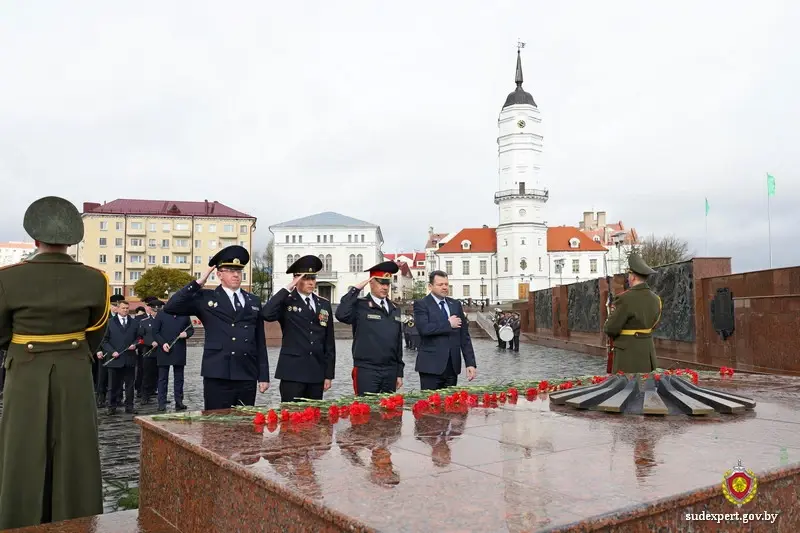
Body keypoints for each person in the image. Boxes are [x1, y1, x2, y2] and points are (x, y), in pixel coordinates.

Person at [0, 196, 108, 529]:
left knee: (22, 446)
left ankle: (19, 519)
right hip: (75, 369)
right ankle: (78, 519)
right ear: (72, 240)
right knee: (77, 448)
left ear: (35, 239)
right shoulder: (96, 279)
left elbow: (1, 333)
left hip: (25, 369)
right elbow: (96, 330)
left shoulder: (8, 278)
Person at [163, 245, 269, 410]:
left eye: (238, 271)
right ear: (219, 274)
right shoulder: (206, 298)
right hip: (218, 373)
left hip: (246, 372)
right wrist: (197, 283)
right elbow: (171, 307)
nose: (236, 274)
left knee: (245, 423)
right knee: (215, 422)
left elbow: (260, 341)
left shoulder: (253, 300)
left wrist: (263, 375)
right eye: (230, 270)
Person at [262, 255, 335, 402]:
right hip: (292, 372)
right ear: (296, 279)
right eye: (306, 278)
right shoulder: (286, 300)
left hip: (316, 372)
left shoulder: (323, 304)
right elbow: (266, 313)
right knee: (291, 415)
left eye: (313, 278)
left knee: (314, 414)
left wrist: (328, 374)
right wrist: (287, 288)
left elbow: (329, 341)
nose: (311, 282)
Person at [335, 261, 404, 396]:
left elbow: (398, 343)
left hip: (390, 370)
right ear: (371, 283)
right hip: (367, 369)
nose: (385, 287)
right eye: (381, 283)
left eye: (387, 284)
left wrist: (399, 372)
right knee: (365, 407)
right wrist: (355, 290)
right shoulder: (360, 305)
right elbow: (341, 315)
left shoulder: (394, 308)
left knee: (388, 408)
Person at [413, 270, 477, 390]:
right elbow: (424, 329)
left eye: (446, 284)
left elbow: (464, 336)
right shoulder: (422, 304)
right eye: (440, 284)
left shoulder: (455, 304)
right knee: (431, 401)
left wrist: (470, 363)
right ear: (430, 286)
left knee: (451, 401)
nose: (444, 287)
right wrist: (448, 324)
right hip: (431, 367)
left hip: (452, 367)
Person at [603, 254, 662, 373]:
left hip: (628, 356)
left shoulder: (625, 299)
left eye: (629, 275)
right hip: (647, 354)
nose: (628, 278)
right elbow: (654, 325)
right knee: (647, 383)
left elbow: (610, 329)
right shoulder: (657, 299)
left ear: (633, 277)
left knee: (626, 384)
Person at [151, 298, 194, 411]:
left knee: (179, 378)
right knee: (163, 378)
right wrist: (163, 343)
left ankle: (179, 401)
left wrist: (186, 334)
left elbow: (191, 329)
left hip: (179, 350)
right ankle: (161, 402)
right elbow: (155, 332)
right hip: (164, 349)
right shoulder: (161, 314)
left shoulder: (184, 315)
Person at [100, 300, 140, 415]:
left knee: (130, 385)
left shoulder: (134, 323)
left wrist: (135, 344)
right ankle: (111, 406)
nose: (125, 310)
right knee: (113, 385)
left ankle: (129, 406)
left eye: (127, 308)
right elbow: (104, 341)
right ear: (117, 309)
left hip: (129, 358)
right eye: (123, 308)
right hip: (115, 359)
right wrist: (112, 351)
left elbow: (139, 338)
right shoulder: (109, 323)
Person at [94, 293, 124, 406]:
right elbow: (97, 335)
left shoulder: (122, 318)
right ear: (110, 305)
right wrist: (98, 350)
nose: (116, 307)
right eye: (115, 305)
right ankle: (101, 398)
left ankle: (118, 398)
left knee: (118, 376)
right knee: (102, 376)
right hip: (104, 351)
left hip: (118, 351)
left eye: (118, 305)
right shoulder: (103, 317)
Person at [137, 297, 160, 405]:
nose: (156, 312)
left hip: (161, 351)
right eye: (154, 310)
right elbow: (141, 336)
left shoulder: (163, 321)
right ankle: (145, 395)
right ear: (150, 310)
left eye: (158, 310)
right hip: (148, 351)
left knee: (159, 375)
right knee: (147, 374)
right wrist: (151, 342)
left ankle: (159, 394)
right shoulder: (144, 322)